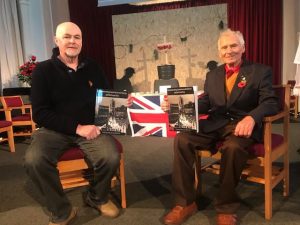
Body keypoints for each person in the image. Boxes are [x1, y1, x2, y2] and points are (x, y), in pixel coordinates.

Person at [162, 29, 279, 225]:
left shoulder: (260, 71)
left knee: (232, 148)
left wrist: (252, 117)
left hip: (242, 126)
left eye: (233, 45)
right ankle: (185, 203)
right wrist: (179, 107)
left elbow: (270, 102)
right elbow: (206, 102)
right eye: (224, 47)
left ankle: (225, 207)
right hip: (216, 124)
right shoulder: (213, 75)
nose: (229, 51)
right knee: (182, 139)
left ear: (243, 47)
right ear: (219, 52)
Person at [24, 22, 121, 225]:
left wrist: (119, 102)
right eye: (67, 36)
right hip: (53, 131)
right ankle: (62, 211)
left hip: (91, 128)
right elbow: (40, 114)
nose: (72, 41)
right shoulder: (43, 70)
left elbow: (105, 98)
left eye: (77, 37)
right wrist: (77, 128)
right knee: (34, 160)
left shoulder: (93, 67)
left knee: (110, 156)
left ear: (82, 41)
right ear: (56, 40)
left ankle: (97, 197)